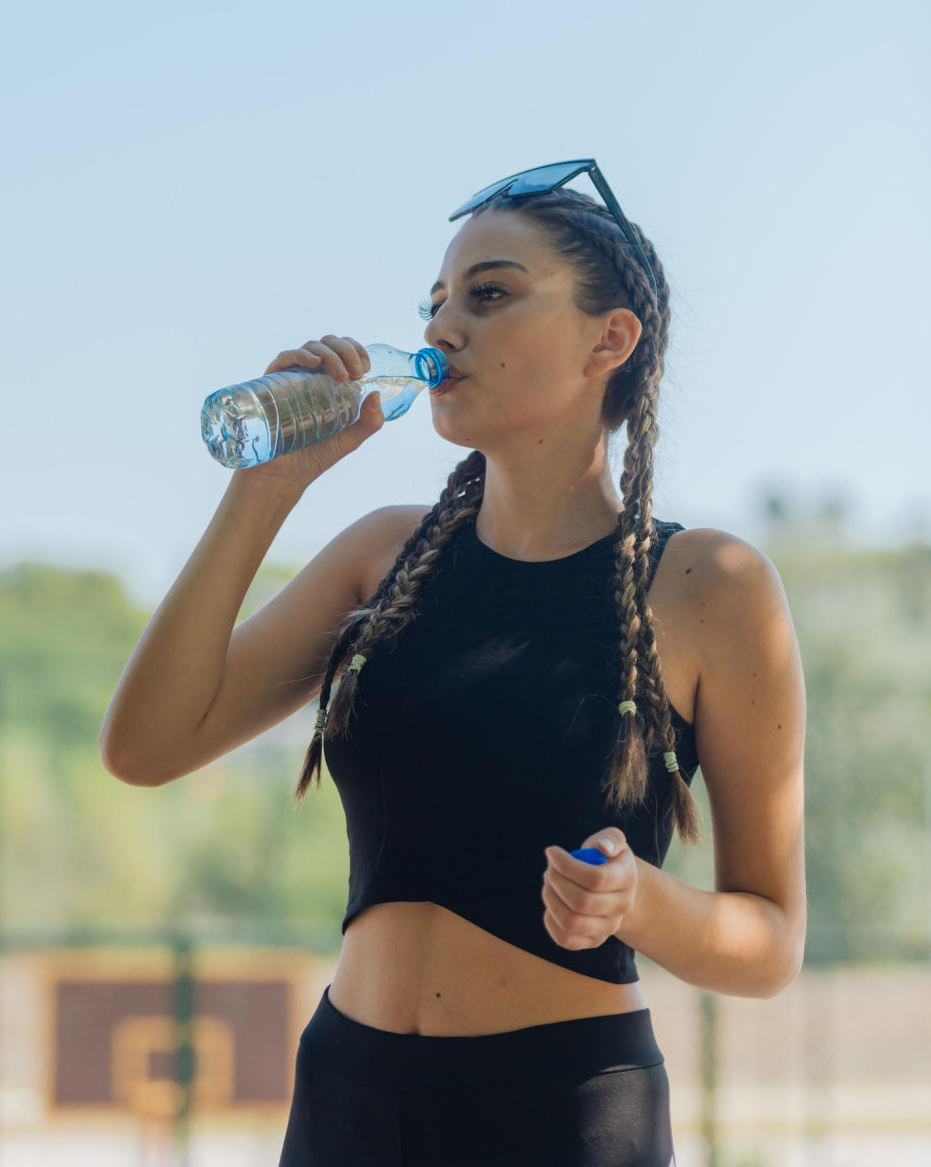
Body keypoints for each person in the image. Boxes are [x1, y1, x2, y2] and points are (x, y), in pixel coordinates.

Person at [101, 161, 807, 1166]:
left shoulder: (710, 583)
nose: (442, 329)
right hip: (345, 1098)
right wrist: (265, 492)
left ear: (610, 340)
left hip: (561, 1109)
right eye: (434, 303)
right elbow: (146, 745)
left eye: (491, 294)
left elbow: (771, 938)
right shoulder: (379, 554)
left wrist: (642, 900)